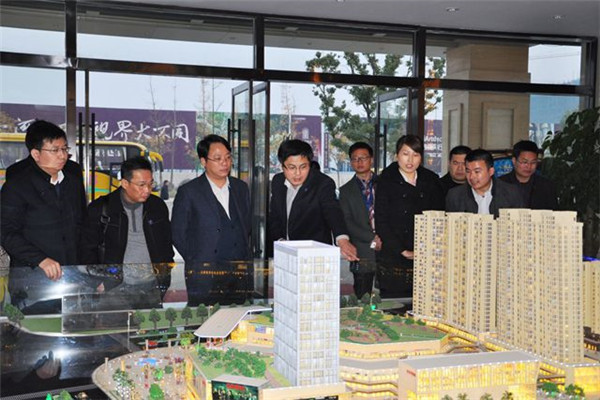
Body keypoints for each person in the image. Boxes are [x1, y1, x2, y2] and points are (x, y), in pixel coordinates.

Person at [80, 156, 174, 305]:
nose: (147, 190)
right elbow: (86, 249)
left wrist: (164, 274)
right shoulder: (101, 208)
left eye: (150, 184)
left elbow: (166, 243)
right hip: (114, 287)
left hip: (151, 286)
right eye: (141, 185)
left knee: (151, 320)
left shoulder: (157, 207)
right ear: (124, 183)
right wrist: (98, 280)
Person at [1, 120, 86, 281]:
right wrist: (40, 259)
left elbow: (81, 223)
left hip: (71, 273)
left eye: (64, 149)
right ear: (36, 154)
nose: (62, 155)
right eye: (55, 150)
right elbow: (6, 232)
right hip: (33, 275)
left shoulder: (73, 180)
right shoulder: (17, 186)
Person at [171, 135, 251, 305]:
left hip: (238, 275)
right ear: (203, 161)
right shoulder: (189, 192)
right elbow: (177, 234)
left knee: (237, 317)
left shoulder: (241, 188)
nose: (225, 163)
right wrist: (197, 260)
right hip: (204, 275)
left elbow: (246, 226)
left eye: (228, 157)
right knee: (204, 318)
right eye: (217, 158)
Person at [375, 134, 444, 299]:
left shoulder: (431, 180)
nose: (410, 160)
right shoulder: (386, 181)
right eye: (405, 154)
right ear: (396, 156)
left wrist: (427, 248)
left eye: (415, 154)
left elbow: (440, 217)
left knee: (426, 302)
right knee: (395, 304)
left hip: (426, 254)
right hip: (394, 255)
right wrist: (403, 251)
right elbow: (381, 221)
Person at [268, 139, 358, 261]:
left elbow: (332, 211)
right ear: (282, 166)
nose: (298, 173)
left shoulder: (322, 183)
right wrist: (281, 241)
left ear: (309, 164)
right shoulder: (278, 182)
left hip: (315, 256)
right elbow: (274, 217)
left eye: (303, 167)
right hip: (285, 254)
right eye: (292, 167)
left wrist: (342, 240)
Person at [339, 142, 381, 299]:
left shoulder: (385, 184)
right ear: (351, 162)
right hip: (361, 250)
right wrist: (372, 238)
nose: (359, 162)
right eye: (355, 159)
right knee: (362, 296)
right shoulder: (345, 191)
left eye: (363, 158)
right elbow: (347, 221)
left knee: (388, 297)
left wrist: (382, 236)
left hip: (386, 247)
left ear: (371, 160)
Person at [446, 149, 524, 216]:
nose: (471, 177)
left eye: (477, 171)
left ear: (491, 171)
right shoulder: (455, 196)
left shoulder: (511, 193)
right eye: (468, 171)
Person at [499, 140, 558, 210]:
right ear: (514, 161)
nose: (529, 166)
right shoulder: (500, 184)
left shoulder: (547, 186)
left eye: (533, 162)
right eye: (524, 162)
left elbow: (554, 212)